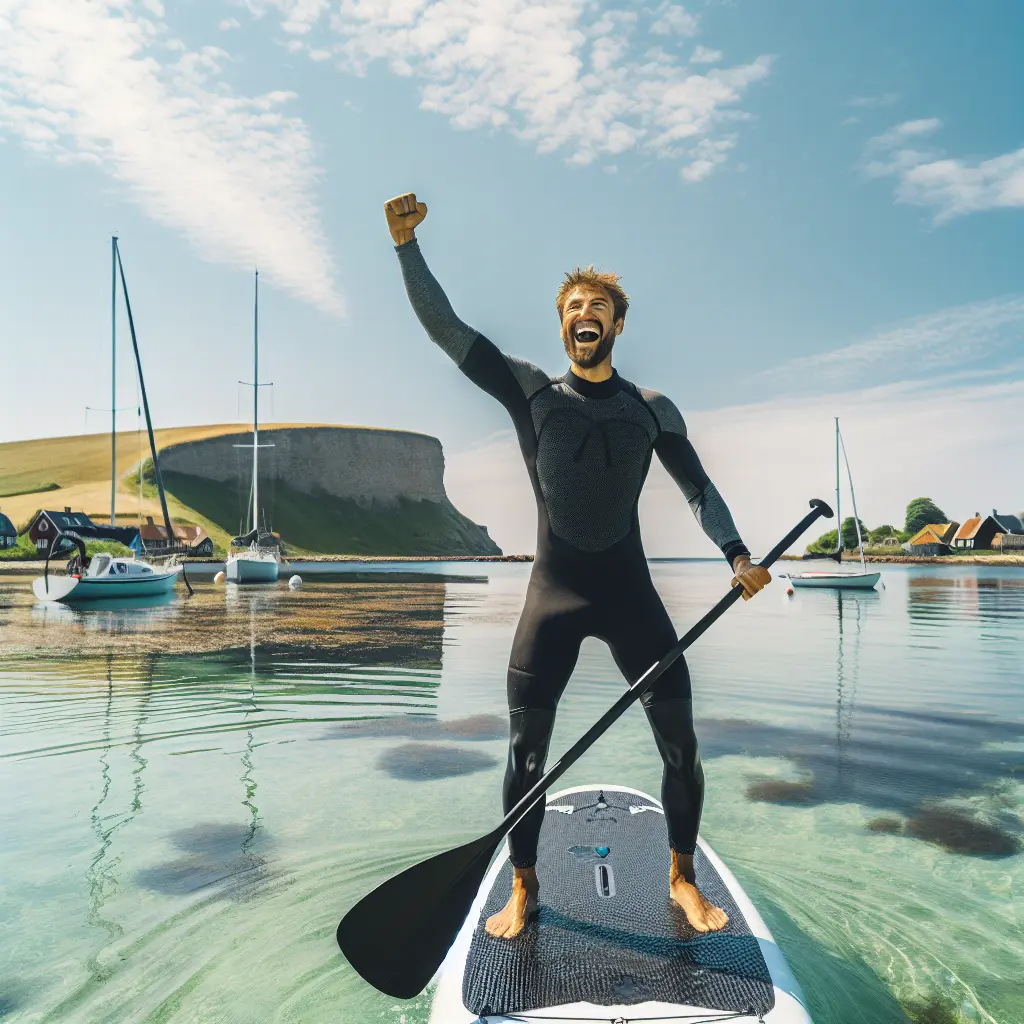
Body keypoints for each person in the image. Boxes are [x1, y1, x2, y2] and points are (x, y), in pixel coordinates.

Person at [385, 192, 770, 939]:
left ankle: (682, 878)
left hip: (631, 598)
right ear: (562, 324)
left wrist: (737, 555)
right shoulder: (531, 390)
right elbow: (447, 329)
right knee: (526, 753)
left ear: (617, 324)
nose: (583, 314)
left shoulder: (652, 408)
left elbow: (698, 489)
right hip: (553, 599)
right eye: (572, 307)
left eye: (597, 306)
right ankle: (523, 886)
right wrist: (406, 247)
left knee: (682, 746)